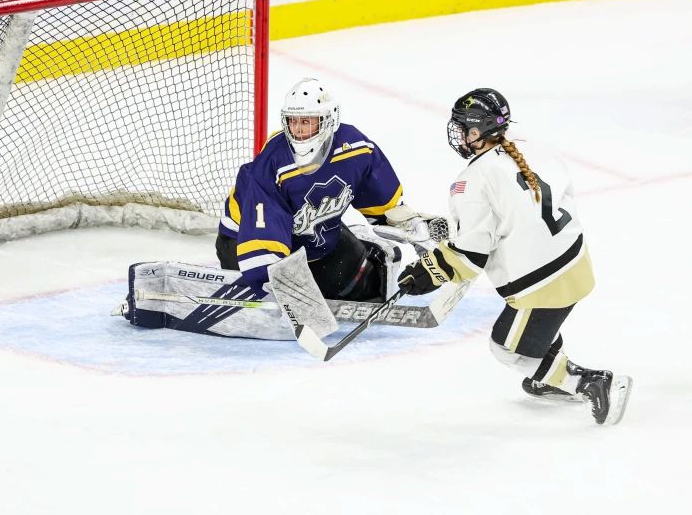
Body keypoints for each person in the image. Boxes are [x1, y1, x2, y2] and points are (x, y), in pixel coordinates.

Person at [396, 88, 632, 425]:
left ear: (476, 133)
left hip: (545, 287)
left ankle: (589, 383)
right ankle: (547, 373)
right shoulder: (533, 150)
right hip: (577, 264)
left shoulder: (469, 182)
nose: (458, 133)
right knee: (530, 329)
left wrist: (428, 271)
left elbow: (470, 256)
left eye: (462, 127)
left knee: (506, 347)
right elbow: (525, 209)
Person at [216, 77, 406, 303]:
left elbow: (380, 199)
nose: (297, 129)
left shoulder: (354, 147)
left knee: (366, 287)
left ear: (328, 119)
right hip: (244, 241)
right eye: (292, 121)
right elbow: (263, 233)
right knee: (279, 300)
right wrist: (272, 282)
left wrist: (406, 221)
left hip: (313, 236)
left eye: (306, 121)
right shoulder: (272, 164)